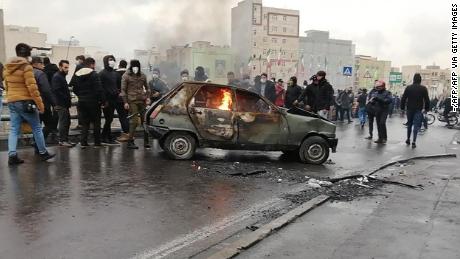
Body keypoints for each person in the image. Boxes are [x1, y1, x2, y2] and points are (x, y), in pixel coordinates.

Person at [3, 43, 55, 164]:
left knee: (14, 129)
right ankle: (43, 152)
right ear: (28, 55)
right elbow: (32, 88)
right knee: (37, 127)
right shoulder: (26, 67)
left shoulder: (7, 67)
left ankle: (12, 155)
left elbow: (6, 85)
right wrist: (40, 105)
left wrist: (11, 97)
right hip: (25, 101)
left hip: (12, 100)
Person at [73, 57, 105, 148]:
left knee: (85, 123)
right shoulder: (94, 74)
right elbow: (99, 89)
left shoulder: (77, 74)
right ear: (92, 64)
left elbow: (74, 88)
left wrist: (81, 95)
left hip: (82, 102)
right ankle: (97, 143)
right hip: (93, 102)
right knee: (96, 123)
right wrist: (103, 101)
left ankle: (83, 142)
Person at [121, 60, 152, 149]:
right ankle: (130, 142)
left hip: (142, 100)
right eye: (133, 66)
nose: (135, 68)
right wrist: (125, 102)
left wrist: (148, 97)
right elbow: (123, 90)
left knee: (145, 121)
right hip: (132, 101)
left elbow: (147, 88)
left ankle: (146, 142)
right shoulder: (126, 76)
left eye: (137, 66)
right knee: (134, 122)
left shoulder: (142, 75)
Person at [99, 55, 124, 145]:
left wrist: (118, 92)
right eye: (110, 60)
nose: (112, 61)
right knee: (108, 119)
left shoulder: (115, 73)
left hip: (115, 99)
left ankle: (108, 138)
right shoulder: (102, 73)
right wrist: (103, 100)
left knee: (110, 119)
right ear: (106, 61)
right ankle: (103, 137)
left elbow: (119, 85)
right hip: (106, 100)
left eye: (113, 59)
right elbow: (100, 88)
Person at [400, 73, 430, 148]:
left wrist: (402, 108)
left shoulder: (408, 88)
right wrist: (426, 109)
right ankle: (414, 141)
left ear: (413, 79)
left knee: (409, 124)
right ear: (420, 80)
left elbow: (403, 98)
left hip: (409, 109)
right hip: (418, 110)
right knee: (416, 125)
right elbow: (427, 100)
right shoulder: (423, 88)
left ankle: (408, 139)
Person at [31, 57, 57, 142]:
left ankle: (36, 143)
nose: (43, 65)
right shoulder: (40, 74)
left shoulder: (28, 73)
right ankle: (38, 142)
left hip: (31, 103)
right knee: (50, 124)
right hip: (43, 103)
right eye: (41, 63)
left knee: (37, 125)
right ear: (36, 64)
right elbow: (46, 90)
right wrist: (54, 103)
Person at [51, 60, 74, 147]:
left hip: (64, 103)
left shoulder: (61, 76)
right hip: (61, 103)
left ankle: (65, 139)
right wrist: (66, 97)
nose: (67, 69)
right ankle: (62, 140)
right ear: (60, 67)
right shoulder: (57, 77)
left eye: (68, 67)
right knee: (64, 122)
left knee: (67, 122)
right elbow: (57, 91)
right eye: (65, 67)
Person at [115, 59, 130, 142]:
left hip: (119, 99)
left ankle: (126, 134)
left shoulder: (116, 74)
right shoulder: (129, 74)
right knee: (127, 116)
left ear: (119, 65)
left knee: (122, 116)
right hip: (128, 98)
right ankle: (127, 133)